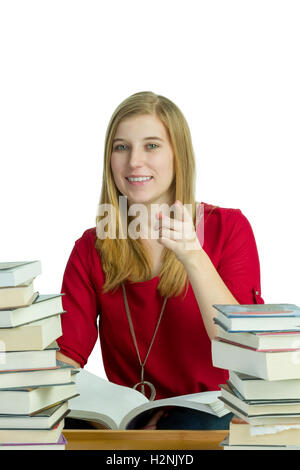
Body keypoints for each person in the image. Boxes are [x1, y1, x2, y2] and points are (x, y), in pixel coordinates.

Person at [56, 91, 264, 430]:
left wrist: (192, 256)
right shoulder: (91, 247)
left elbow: (243, 348)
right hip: (129, 417)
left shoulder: (228, 228)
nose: (134, 161)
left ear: (178, 156)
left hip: (212, 413)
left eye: (151, 146)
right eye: (121, 147)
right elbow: (67, 356)